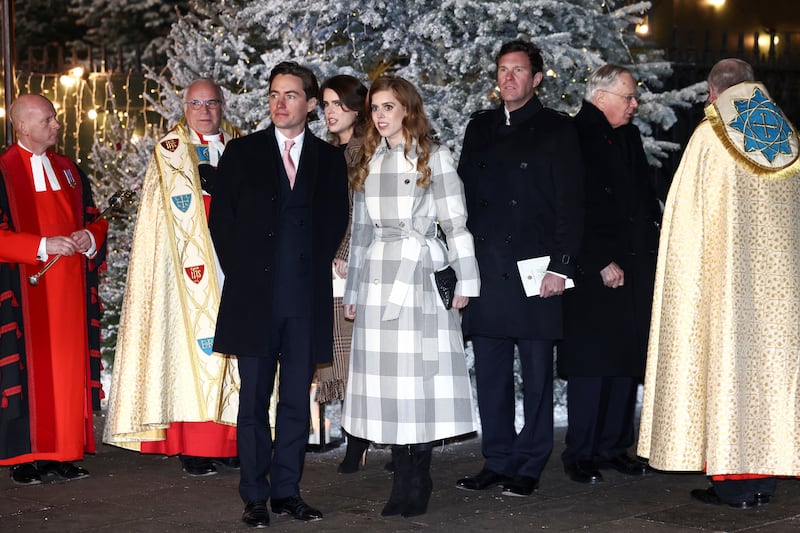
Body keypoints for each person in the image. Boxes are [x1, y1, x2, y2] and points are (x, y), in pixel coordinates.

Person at [638, 58, 800, 508]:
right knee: (766, 376)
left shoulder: (711, 138)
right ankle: (764, 480)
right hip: (779, 292)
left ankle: (734, 484)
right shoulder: (786, 139)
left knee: (730, 372)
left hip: (725, 288)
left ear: (714, 93)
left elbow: (685, 216)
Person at [209, 61, 349, 527]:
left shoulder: (328, 161)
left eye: (290, 95)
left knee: (295, 402)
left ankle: (287, 492)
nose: (279, 103)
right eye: (273, 94)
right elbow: (221, 222)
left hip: (304, 301)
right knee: (253, 401)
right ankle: (254, 496)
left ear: (310, 104)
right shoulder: (242, 153)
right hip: (254, 300)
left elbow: (333, 221)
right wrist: (247, 273)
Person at [342, 75, 480, 518]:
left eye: (388, 107)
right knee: (386, 384)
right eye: (375, 109)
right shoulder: (370, 160)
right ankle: (400, 474)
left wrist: (466, 281)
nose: (380, 117)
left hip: (419, 275)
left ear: (407, 109)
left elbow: (456, 223)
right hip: (380, 276)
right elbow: (362, 233)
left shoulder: (434, 157)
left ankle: (417, 475)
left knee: (416, 380)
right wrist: (354, 289)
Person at [456, 39, 583, 497]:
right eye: (503, 69)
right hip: (488, 270)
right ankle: (498, 459)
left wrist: (561, 266)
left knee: (535, 376)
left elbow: (572, 204)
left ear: (536, 78)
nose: (508, 78)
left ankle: (530, 463)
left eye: (518, 70)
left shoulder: (557, 129)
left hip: (536, 271)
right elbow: (463, 200)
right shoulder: (481, 127)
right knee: (489, 374)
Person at [103, 79, 241, 476]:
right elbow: (155, 226)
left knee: (236, 352)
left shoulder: (242, 145)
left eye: (211, 102)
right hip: (186, 272)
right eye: (195, 103)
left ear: (223, 105)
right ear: (184, 106)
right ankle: (195, 446)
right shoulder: (168, 152)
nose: (203, 110)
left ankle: (233, 440)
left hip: (234, 264)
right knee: (191, 352)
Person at [557, 65, 660, 484]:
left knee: (624, 362)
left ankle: (615, 447)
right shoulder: (574, 135)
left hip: (633, 263)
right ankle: (580, 452)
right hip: (594, 267)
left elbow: (642, 197)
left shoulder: (629, 136)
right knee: (593, 365)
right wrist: (599, 260)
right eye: (628, 97)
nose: (635, 105)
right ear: (600, 96)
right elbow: (572, 205)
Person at [0, 94, 108, 484]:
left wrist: (87, 237)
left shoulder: (69, 169)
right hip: (24, 295)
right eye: (47, 120)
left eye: (55, 118)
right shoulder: (3, 171)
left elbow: (96, 219)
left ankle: (64, 454)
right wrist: (43, 246)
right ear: (23, 127)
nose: (57, 125)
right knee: (29, 372)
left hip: (71, 294)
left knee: (67, 372)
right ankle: (25, 458)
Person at [316, 74, 371, 473]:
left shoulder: (367, 150)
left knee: (361, 356)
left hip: (358, 264)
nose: (330, 111)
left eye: (337, 103)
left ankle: (362, 440)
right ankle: (357, 435)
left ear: (356, 106)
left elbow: (364, 207)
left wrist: (346, 249)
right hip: (328, 266)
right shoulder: (326, 151)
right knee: (343, 357)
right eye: (326, 104)